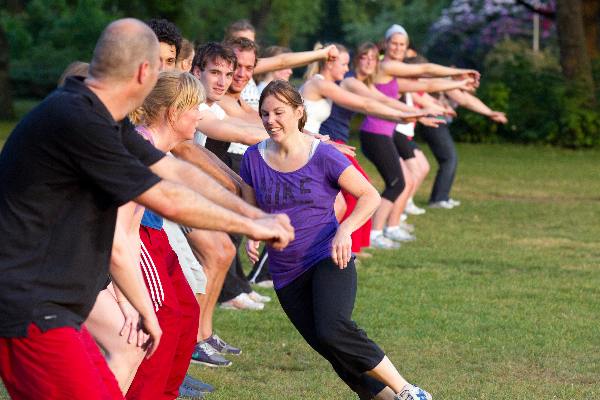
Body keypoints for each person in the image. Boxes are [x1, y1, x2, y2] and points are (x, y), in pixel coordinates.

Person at [0, 18, 294, 399]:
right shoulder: (77, 120)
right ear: (144, 72)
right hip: (32, 308)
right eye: (163, 66)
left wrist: (254, 214)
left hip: (58, 306)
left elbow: (172, 169)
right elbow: (165, 196)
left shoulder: (99, 115)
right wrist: (252, 225)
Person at [241, 80, 432, 400]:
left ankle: (408, 391)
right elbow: (250, 207)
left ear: (299, 112)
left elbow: (369, 195)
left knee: (333, 330)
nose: (270, 120)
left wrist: (345, 230)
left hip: (327, 255)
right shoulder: (253, 158)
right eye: (264, 113)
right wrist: (252, 232)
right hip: (286, 272)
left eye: (279, 112)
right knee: (335, 353)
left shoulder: (323, 155)